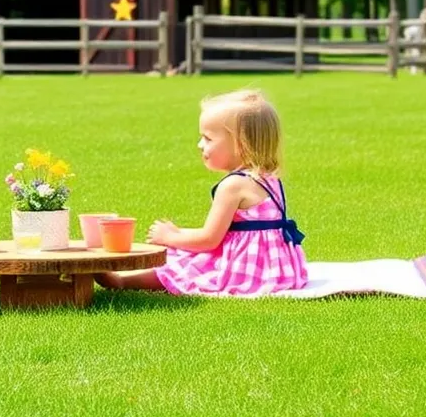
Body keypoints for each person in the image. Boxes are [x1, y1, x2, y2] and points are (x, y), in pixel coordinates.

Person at [97, 88, 307, 297]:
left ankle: (122, 281)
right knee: (182, 250)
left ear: (240, 144)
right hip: (275, 268)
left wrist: (170, 237)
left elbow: (209, 240)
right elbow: (232, 233)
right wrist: (180, 233)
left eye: (208, 138)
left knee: (185, 262)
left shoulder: (232, 186)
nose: (200, 145)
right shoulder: (270, 179)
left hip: (248, 271)